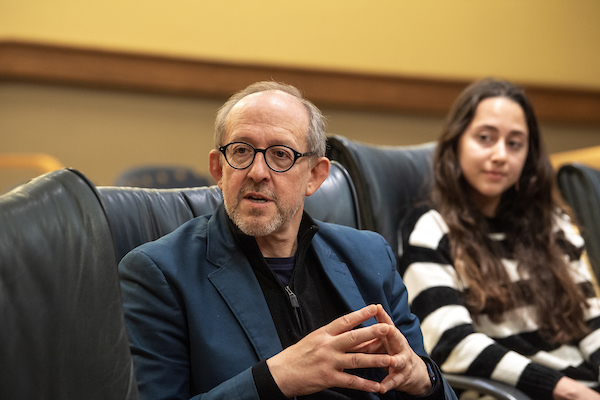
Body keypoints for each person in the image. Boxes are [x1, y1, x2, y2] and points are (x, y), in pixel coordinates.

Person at [119, 81, 456, 400]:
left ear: (315, 175)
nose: (257, 171)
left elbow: (423, 381)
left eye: (280, 154)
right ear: (219, 170)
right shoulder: (159, 274)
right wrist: (275, 378)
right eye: (241, 150)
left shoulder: (369, 257)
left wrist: (424, 380)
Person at [398, 78, 600, 400]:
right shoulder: (431, 228)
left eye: (515, 143)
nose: (500, 155)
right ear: (456, 144)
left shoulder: (552, 224)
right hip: (513, 392)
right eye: (485, 138)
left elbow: (592, 322)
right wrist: (565, 390)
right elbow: (452, 344)